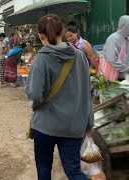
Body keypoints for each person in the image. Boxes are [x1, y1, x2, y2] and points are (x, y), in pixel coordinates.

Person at [25, 14, 93, 180]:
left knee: (44, 170)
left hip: (45, 126)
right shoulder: (80, 56)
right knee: (73, 171)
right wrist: (89, 124)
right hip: (74, 126)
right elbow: (86, 92)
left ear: (40, 36)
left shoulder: (41, 59)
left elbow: (34, 94)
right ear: (62, 31)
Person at [103, 15, 129, 81]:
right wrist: (126, 69)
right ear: (125, 26)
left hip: (123, 76)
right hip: (111, 77)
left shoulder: (126, 39)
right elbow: (111, 58)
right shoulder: (113, 38)